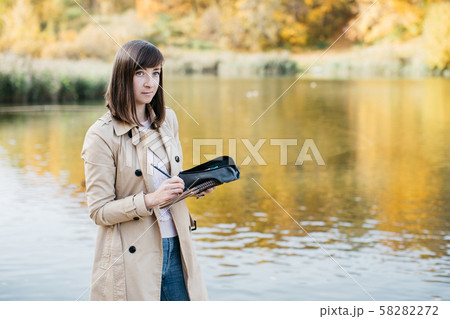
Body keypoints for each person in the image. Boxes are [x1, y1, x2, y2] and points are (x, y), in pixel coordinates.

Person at [81, 40, 213, 301]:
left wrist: (190, 187)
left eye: (156, 73)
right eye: (140, 73)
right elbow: (99, 211)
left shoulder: (167, 120)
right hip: (133, 256)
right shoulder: (101, 135)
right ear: (122, 76)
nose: (150, 82)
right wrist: (150, 200)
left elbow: (165, 179)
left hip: (177, 247)